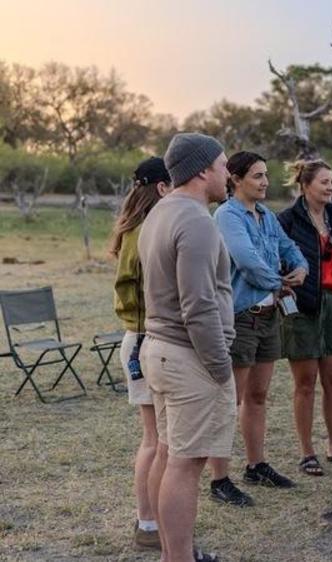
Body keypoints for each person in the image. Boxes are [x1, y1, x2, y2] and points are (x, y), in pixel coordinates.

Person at [138, 133, 235, 562]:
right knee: (187, 463)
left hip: (159, 348)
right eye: (223, 165)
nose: (227, 174)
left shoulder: (159, 212)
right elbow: (198, 304)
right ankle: (178, 558)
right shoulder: (195, 220)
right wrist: (220, 365)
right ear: (201, 170)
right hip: (187, 356)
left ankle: (170, 553)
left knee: (168, 452)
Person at [207, 151, 308, 503]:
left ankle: (256, 465)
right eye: (257, 176)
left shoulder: (266, 215)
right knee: (228, 400)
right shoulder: (227, 215)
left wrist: (302, 268)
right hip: (241, 316)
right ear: (235, 179)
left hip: (269, 316)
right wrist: (280, 283)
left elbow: (289, 246)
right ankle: (219, 479)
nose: (265, 182)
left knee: (258, 395)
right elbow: (246, 260)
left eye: (266, 175)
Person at [278, 159, 332, 476]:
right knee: (305, 383)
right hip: (302, 307)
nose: (330, 187)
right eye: (324, 182)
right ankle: (306, 453)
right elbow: (278, 262)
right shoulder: (287, 221)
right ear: (305, 185)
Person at [110, 156, 172, 550]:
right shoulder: (147, 231)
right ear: (163, 188)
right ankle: (148, 525)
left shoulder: (134, 227)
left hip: (138, 339)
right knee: (155, 441)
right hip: (144, 340)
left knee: (155, 439)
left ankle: (151, 522)